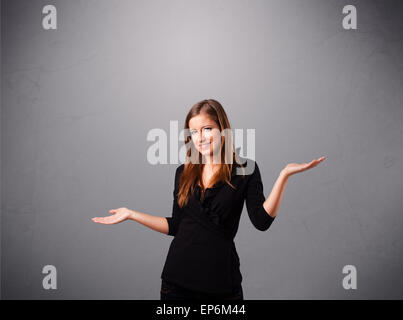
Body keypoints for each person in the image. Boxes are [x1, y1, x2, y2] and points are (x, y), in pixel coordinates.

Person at [92, 99, 326, 300]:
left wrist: (284, 175)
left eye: (207, 129)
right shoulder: (183, 172)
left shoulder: (246, 170)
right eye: (193, 132)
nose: (200, 137)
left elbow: (262, 221)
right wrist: (132, 214)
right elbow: (176, 226)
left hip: (221, 285)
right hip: (175, 285)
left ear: (222, 129)